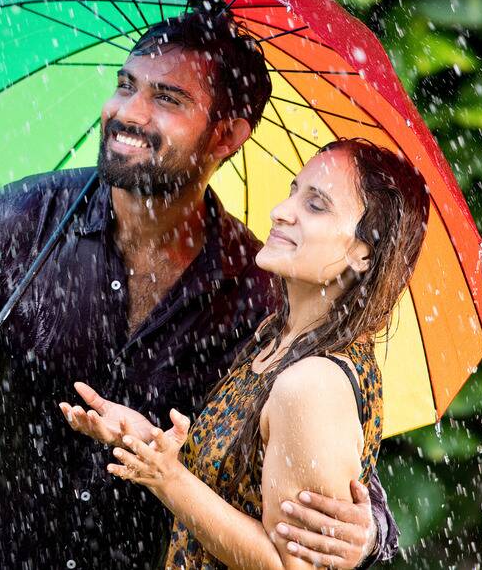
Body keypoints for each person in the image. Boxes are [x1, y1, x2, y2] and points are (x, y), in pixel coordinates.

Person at [0, 3, 400, 569]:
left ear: (227, 136)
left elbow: (331, 455)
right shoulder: (14, 225)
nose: (127, 113)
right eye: (125, 85)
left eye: (168, 98)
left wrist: (369, 532)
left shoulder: (255, 289)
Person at [62, 138, 429, 569]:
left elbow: (293, 568)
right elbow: (239, 492)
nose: (281, 211)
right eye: (294, 191)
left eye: (316, 205)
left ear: (362, 253)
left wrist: (168, 478)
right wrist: (151, 446)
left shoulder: (312, 384)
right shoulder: (275, 338)